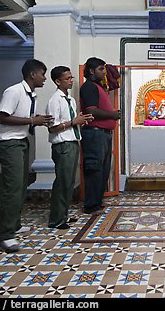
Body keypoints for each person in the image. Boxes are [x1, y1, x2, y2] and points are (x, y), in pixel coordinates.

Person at [0, 59, 54, 253]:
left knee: (20, 185)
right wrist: (31, 120)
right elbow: (1, 117)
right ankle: (6, 235)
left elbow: (27, 119)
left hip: (21, 140)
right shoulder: (14, 91)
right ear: (33, 74)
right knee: (12, 187)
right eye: (43, 74)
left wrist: (38, 121)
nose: (45, 78)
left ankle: (15, 224)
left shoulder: (31, 94)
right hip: (8, 142)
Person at [45, 66, 94, 230]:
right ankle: (56, 219)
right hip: (62, 144)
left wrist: (80, 119)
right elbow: (52, 127)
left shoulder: (71, 100)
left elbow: (72, 121)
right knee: (62, 182)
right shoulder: (55, 101)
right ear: (58, 81)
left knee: (69, 181)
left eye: (72, 78)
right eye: (67, 78)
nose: (71, 81)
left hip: (73, 141)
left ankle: (63, 214)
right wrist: (73, 122)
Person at [79, 57, 121, 215]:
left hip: (103, 134)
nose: (104, 72)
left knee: (103, 170)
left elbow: (113, 77)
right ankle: (91, 205)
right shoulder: (89, 87)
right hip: (95, 134)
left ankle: (97, 201)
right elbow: (91, 111)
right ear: (91, 71)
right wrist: (112, 114)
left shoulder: (99, 87)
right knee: (94, 168)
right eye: (101, 69)